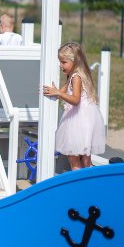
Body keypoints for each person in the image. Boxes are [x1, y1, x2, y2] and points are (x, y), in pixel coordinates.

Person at [43, 42, 105, 170]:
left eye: (63, 62)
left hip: (78, 121)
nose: (61, 65)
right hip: (86, 120)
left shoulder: (76, 77)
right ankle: (92, 184)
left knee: (74, 158)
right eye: (60, 62)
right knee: (86, 159)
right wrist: (56, 92)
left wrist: (58, 92)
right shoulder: (75, 75)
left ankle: (80, 186)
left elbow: (75, 99)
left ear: (75, 61)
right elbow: (64, 91)